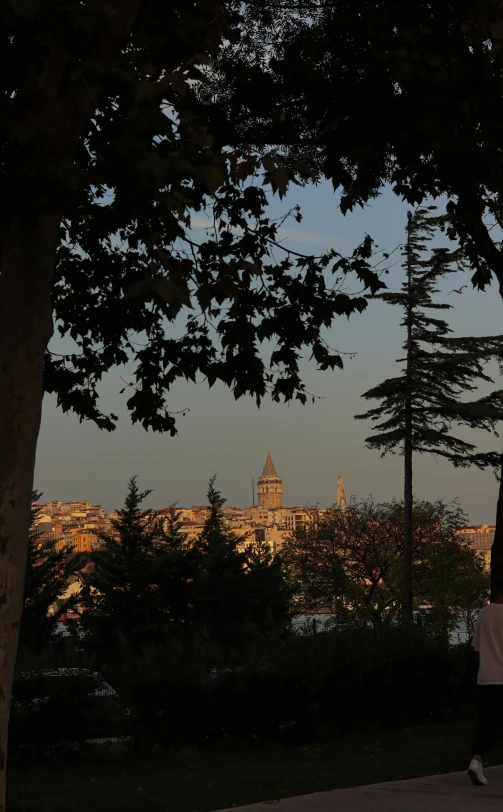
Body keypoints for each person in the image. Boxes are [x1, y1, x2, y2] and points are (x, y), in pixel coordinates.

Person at [468, 589, 503, 786]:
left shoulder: (484, 613)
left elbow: (477, 647)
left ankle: (476, 760)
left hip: (488, 677)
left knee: (486, 722)